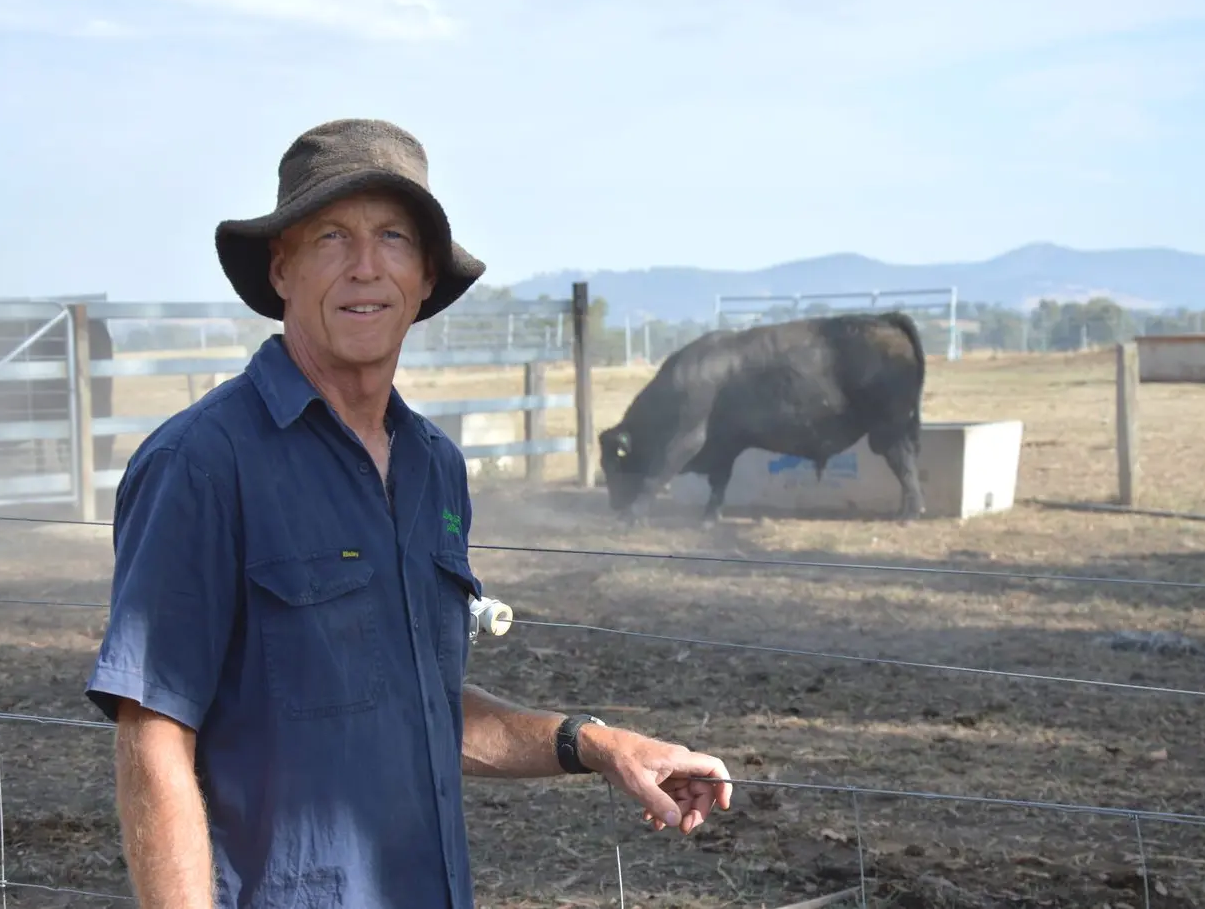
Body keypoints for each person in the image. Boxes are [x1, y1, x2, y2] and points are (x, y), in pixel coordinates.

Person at [83, 118, 733, 909]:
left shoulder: (434, 467)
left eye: (393, 237)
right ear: (281, 268)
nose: (365, 267)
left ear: (425, 277)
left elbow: (418, 705)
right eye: (330, 237)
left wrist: (598, 745)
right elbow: (153, 736)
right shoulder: (202, 464)